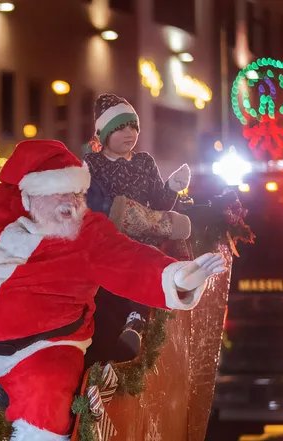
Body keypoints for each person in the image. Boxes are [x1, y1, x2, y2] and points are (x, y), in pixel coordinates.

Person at [0, 139, 226, 440]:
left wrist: (178, 277)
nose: (70, 202)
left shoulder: (85, 228)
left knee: (45, 397)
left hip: (38, 352)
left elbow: (128, 260)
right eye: (61, 192)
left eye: (75, 192)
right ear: (30, 193)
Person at [83, 93, 192, 360]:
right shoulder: (93, 165)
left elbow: (159, 201)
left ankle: (136, 321)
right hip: (110, 239)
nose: (128, 133)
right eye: (120, 128)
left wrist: (172, 188)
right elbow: (92, 203)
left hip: (145, 237)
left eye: (132, 126)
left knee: (148, 264)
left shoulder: (144, 162)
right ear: (104, 133)